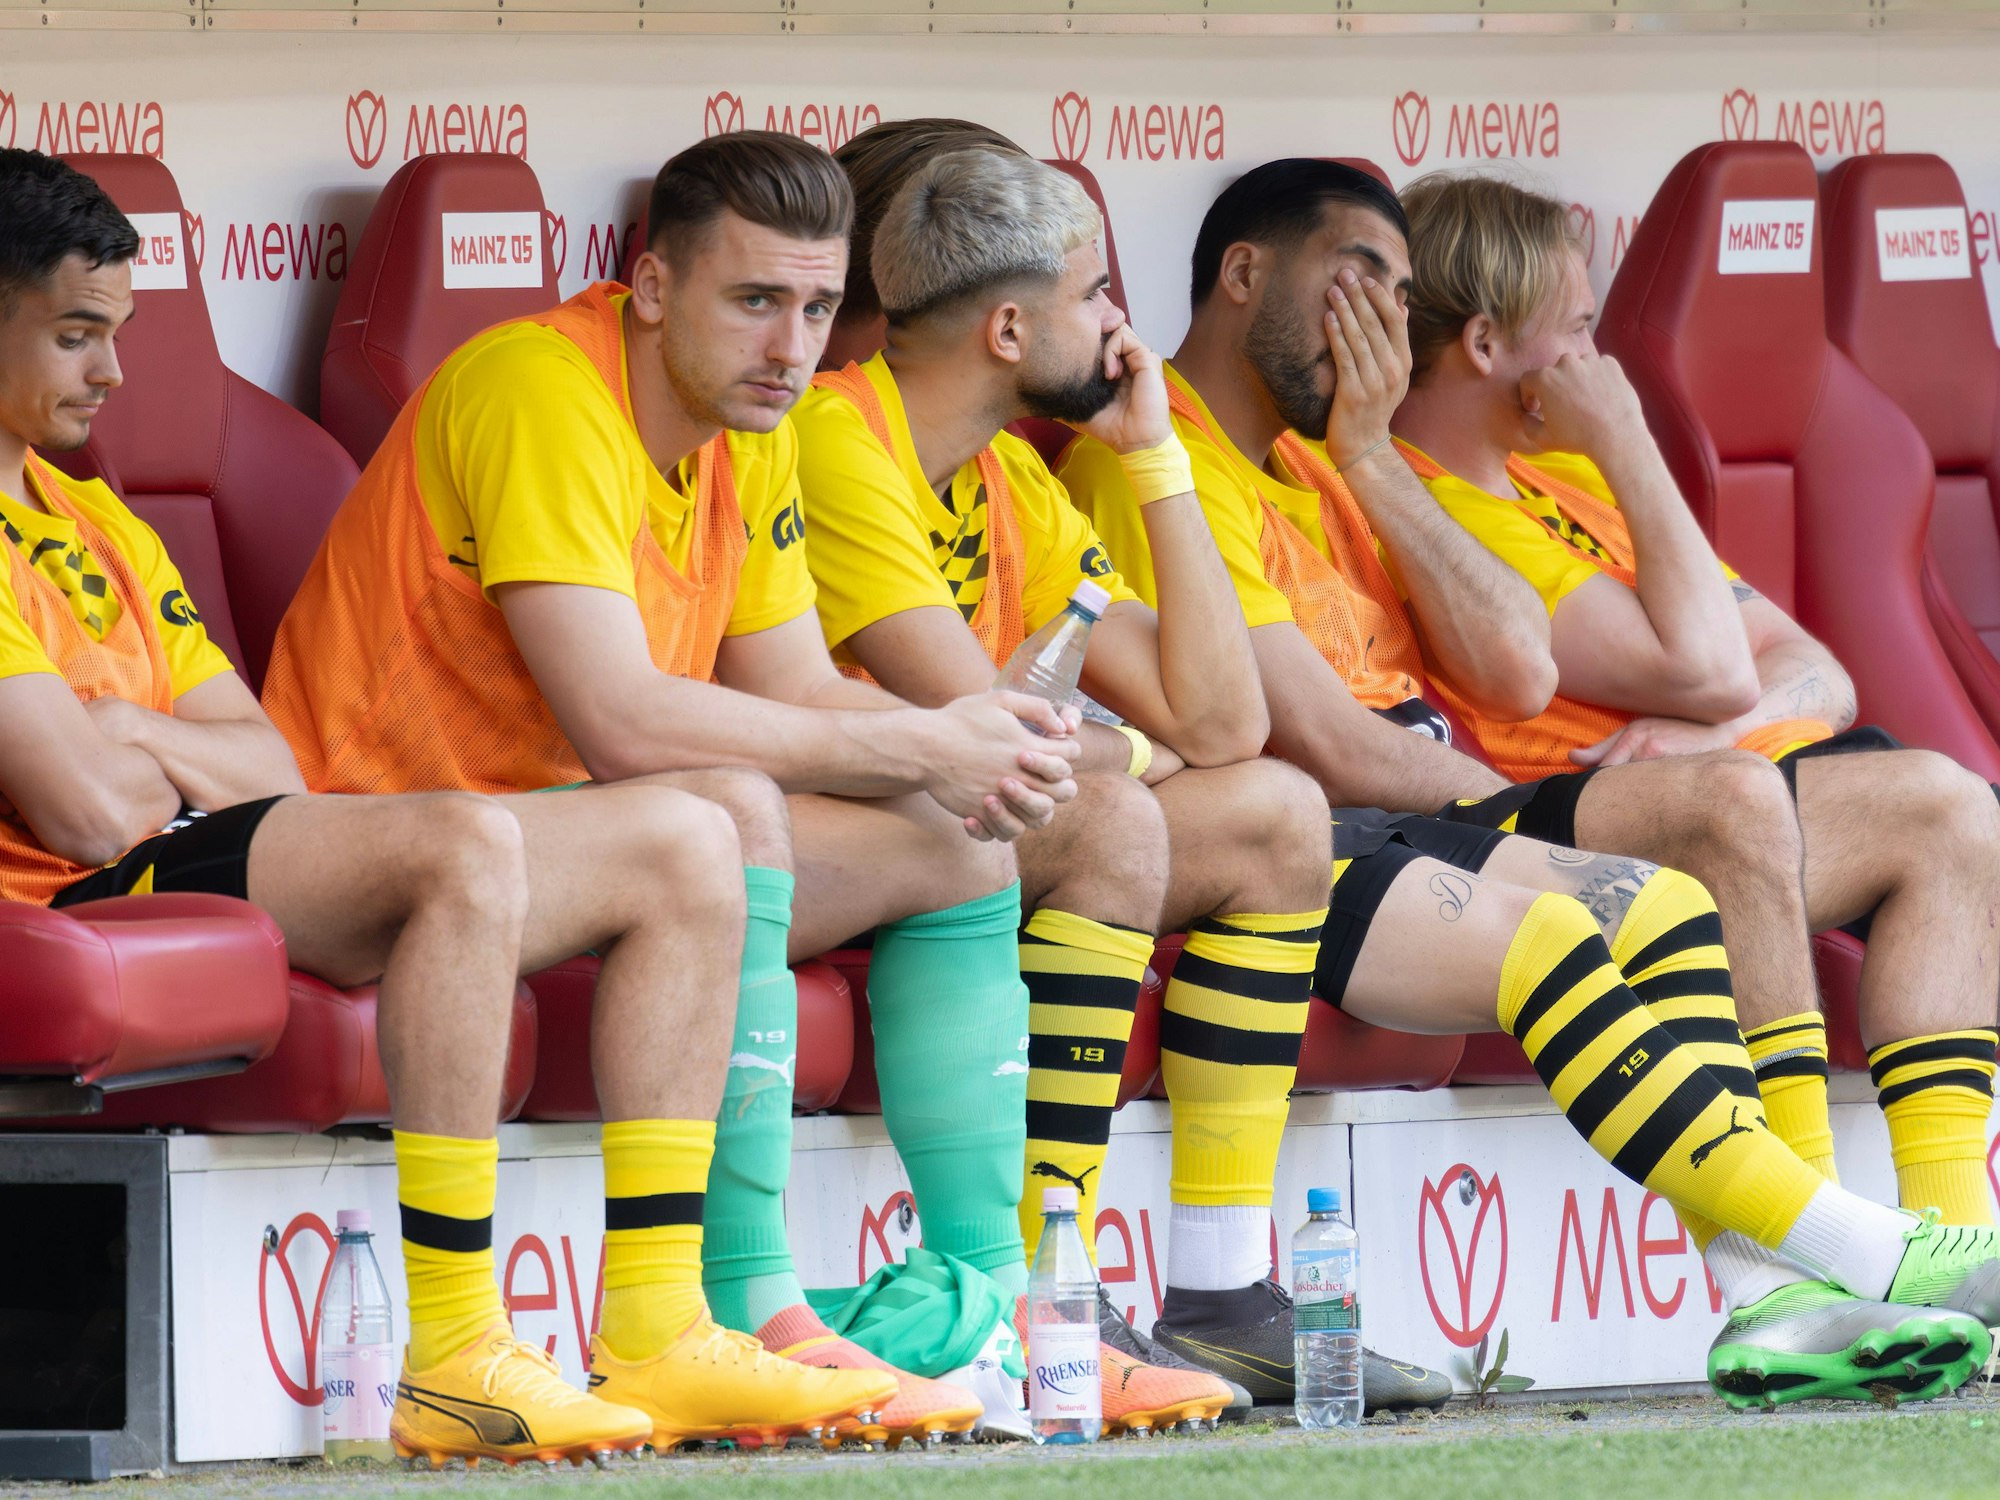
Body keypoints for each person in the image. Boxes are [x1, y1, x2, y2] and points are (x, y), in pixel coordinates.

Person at [0, 147, 898, 1467]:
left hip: (220, 843)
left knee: (694, 836)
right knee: (464, 839)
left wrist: (124, 726)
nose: (116, 374)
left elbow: (259, 763)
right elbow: (80, 814)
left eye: (118, 334)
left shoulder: (93, 519)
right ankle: (455, 1350)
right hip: (76, 892)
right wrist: (138, 752)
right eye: (77, 335)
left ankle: (655, 1320)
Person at [1060, 156, 2000, 1405]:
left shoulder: (1326, 462)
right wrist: (1482, 797)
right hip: (1312, 830)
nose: (1386, 325)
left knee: (1702, 887)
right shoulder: (1156, 457)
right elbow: (1326, 742)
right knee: (1636, 872)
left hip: (1410, 814)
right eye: (1360, 285)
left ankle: (1775, 1298)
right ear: (1242, 275)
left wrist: (1371, 453)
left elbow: (1540, 673)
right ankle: (1859, 1250)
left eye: (1400, 297)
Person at [261, 130, 1091, 1446]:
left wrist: (964, 736)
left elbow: (806, 692)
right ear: (652, 289)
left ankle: (989, 1300)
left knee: (960, 848)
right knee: (723, 812)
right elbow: (624, 720)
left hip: (572, 845)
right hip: (387, 827)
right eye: (754, 300)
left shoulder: (745, 422)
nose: (792, 344)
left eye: (818, 308)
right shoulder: (542, 386)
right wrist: (926, 745)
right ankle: (737, 1299)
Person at [802, 128, 1451, 1422]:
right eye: (1095, 297)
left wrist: (1155, 457)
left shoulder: (1005, 479)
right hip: (808, 837)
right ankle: (1054, 1288)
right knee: (1103, 812)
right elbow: (983, 728)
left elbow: (1224, 725)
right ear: (1005, 329)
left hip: (943, 819)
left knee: (1273, 813)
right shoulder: (838, 438)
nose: (1120, 326)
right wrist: (1116, 752)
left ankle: (1221, 1293)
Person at [1393, 170, 2000, 1234]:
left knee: (1946, 810)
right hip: (1571, 819)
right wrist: (1627, 438)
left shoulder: (1556, 487)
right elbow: (1719, 666)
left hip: (1721, 790)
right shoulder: (1443, 500)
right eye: (1576, 333)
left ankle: (1958, 1237)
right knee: (1808, 800)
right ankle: (1822, 1237)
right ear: (1483, 346)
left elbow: (1813, 666)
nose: (1598, 369)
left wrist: (1713, 729)